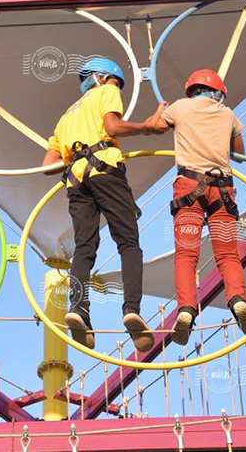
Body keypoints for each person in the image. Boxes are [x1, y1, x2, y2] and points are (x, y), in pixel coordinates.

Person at [42, 57, 167, 352]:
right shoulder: (106, 91)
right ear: (103, 78)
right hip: (104, 171)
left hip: (75, 180)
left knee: (85, 247)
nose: (116, 87)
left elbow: (48, 165)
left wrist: (75, 155)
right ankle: (132, 309)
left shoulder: (65, 117)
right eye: (115, 82)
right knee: (128, 243)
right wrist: (147, 126)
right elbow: (113, 126)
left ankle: (79, 309)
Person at [145, 68, 246, 345]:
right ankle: (238, 299)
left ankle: (185, 309)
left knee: (186, 255)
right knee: (228, 255)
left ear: (190, 90)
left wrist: (161, 111)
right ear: (218, 92)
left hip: (189, 188)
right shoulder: (227, 114)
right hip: (222, 192)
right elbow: (239, 154)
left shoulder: (180, 108)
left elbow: (154, 127)